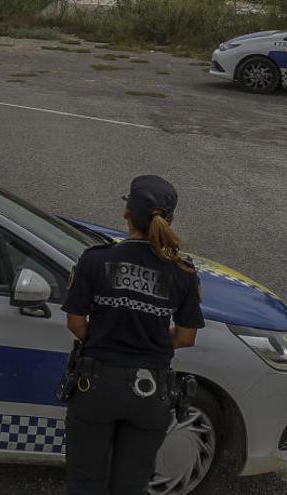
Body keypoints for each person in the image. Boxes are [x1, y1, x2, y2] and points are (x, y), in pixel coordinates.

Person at [61, 175, 204, 495]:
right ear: (169, 220)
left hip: (96, 384)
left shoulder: (95, 260)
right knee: (130, 487)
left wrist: (103, 338)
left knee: (85, 483)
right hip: (151, 391)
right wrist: (148, 343)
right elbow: (186, 337)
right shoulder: (182, 272)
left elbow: (75, 322)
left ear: (127, 214)